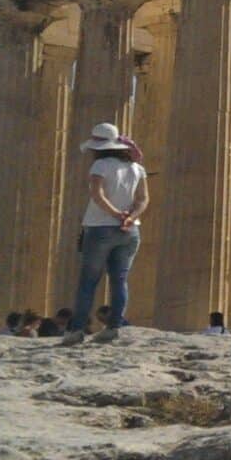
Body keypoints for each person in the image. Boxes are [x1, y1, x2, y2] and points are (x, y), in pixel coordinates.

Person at [62, 122, 148, 345]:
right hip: (130, 230)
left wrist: (116, 214)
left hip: (100, 228)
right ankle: (114, 328)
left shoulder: (100, 165)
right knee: (120, 280)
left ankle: (77, 330)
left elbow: (96, 194)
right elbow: (143, 199)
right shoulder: (137, 169)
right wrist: (129, 217)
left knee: (88, 282)